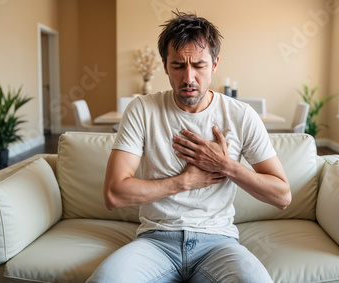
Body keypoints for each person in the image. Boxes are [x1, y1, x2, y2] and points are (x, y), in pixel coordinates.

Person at [87, 11, 291, 283]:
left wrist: (226, 166)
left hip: (219, 243)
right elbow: (114, 195)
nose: (189, 78)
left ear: (215, 64)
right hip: (155, 242)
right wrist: (184, 182)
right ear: (164, 65)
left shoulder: (241, 116)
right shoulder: (142, 110)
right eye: (178, 66)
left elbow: (282, 197)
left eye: (199, 65)